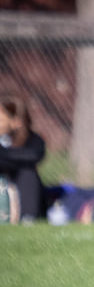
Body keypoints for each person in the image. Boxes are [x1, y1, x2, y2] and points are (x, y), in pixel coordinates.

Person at [0, 92, 47, 223]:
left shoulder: (32, 140)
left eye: (1, 120)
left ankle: (28, 218)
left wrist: (6, 156)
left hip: (19, 183)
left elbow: (35, 155)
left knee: (28, 172)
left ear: (16, 122)